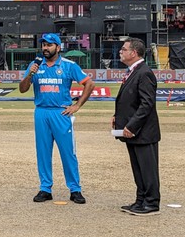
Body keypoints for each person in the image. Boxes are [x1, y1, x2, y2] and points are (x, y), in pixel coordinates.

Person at [19, 33, 95, 205]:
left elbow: (89, 84)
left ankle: (75, 189)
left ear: (58, 48)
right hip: (41, 112)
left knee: (68, 152)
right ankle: (45, 188)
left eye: (49, 45)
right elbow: (23, 89)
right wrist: (30, 74)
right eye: (44, 45)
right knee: (43, 152)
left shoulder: (68, 66)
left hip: (61, 113)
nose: (45, 48)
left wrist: (77, 106)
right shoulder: (35, 65)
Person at [112, 38, 161, 216]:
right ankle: (141, 200)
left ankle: (151, 203)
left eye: (123, 49)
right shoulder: (133, 72)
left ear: (133, 53)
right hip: (132, 132)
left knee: (148, 169)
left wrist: (131, 126)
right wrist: (118, 118)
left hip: (143, 132)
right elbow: (130, 101)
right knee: (138, 169)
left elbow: (146, 104)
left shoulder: (144, 73)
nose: (120, 52)